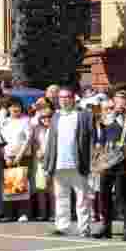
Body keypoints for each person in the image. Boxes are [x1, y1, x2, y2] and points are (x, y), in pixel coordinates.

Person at [42, 86, 93, 237]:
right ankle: (62, 226)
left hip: (78, 163)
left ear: (73, 98)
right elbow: (50, 141)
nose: (63, 100)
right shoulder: (56, 116)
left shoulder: (83, 116)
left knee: (82, 198)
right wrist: (47, 163)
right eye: (61, 97)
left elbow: (90, 138)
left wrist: (91, 161)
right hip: (59, 164)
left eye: (67, 97)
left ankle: (84, 228)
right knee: (61, 197)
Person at [94, 86, 126, 240]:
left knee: (122, 196)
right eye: (118, 98)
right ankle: (106, 226)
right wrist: (98, 152)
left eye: (124, 99)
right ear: (114, 100)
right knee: (104, 195)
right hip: (107, 160)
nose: (121, 101)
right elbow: (102, 138)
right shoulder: (106, 117)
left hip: (124, 162)